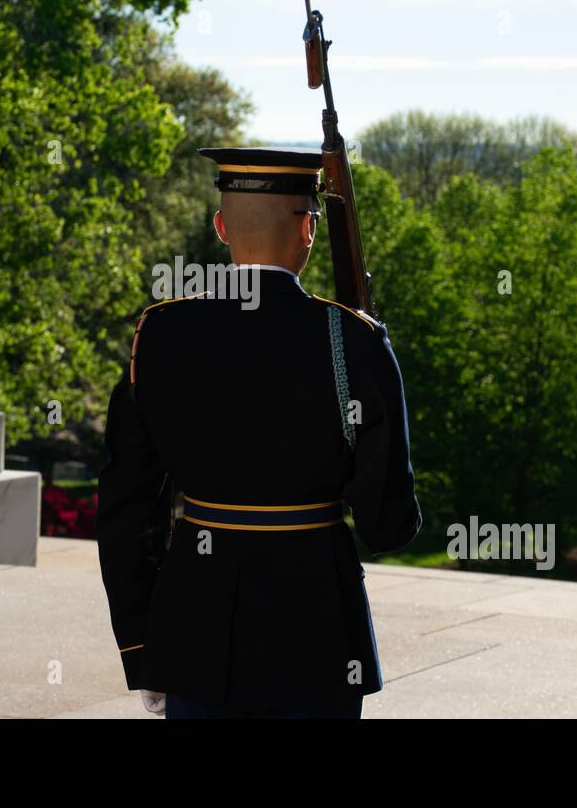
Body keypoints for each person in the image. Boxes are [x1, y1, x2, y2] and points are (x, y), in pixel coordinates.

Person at [96, 145, 421, 719]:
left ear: (221, 227)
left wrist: (147, 649)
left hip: (193, 634)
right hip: (318, 635)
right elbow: (386, 524)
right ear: (309, 229)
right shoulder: (354, 340)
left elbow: (125, 512)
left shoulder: (161, 335)